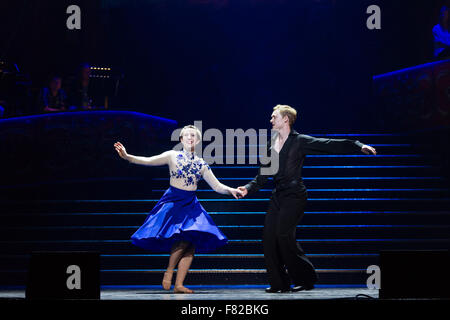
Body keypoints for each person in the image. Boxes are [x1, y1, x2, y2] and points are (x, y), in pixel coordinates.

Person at [237, 105, 377, 293]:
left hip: (295, 196)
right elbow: (263, 175)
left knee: (284, 236)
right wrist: (247, 188)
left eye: (274, 117)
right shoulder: (271, 144)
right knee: (269, 238)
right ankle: (279, 283)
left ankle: (305, 278)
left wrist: (358, 145)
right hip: (278, 195)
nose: (270, 120)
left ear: (285, 119)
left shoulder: (300, 141)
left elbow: (328, 145)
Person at [114, 125, 243, 293]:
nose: (190, 138)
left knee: (191, 244)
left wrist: (231, 190)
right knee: (183, 239)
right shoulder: (172, 155)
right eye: (186, 135)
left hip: (191, 204)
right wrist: (127, 156)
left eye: (193, 136)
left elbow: (217, 186)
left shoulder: (201, 164)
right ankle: (169, 270)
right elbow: (148, 160)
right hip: (174, 201)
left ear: (197, 141)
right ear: (181, 139)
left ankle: (179, 284)